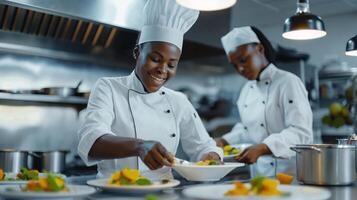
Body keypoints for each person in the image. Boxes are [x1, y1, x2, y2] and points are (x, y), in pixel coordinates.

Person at [77, 0, 222, 180]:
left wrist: (211, 157)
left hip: (164, 190)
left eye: (171, 64)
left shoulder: (178, 100)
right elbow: (92, 139)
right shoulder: (109, 87)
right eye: (155, 58)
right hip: (115, 190)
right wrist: (139, 146)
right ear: (137, 53)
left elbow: (203, 146)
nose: (162, 69)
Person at [215, 26, 312, 174]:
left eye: (243, 60)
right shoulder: (246, 90)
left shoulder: (288, 82)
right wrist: (224, 140)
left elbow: (301, 132)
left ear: (260, 49)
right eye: (235, 65)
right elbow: (249, 129)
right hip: (260, 174)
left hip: (292, 173)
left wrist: (263, 147)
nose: (240, 69)